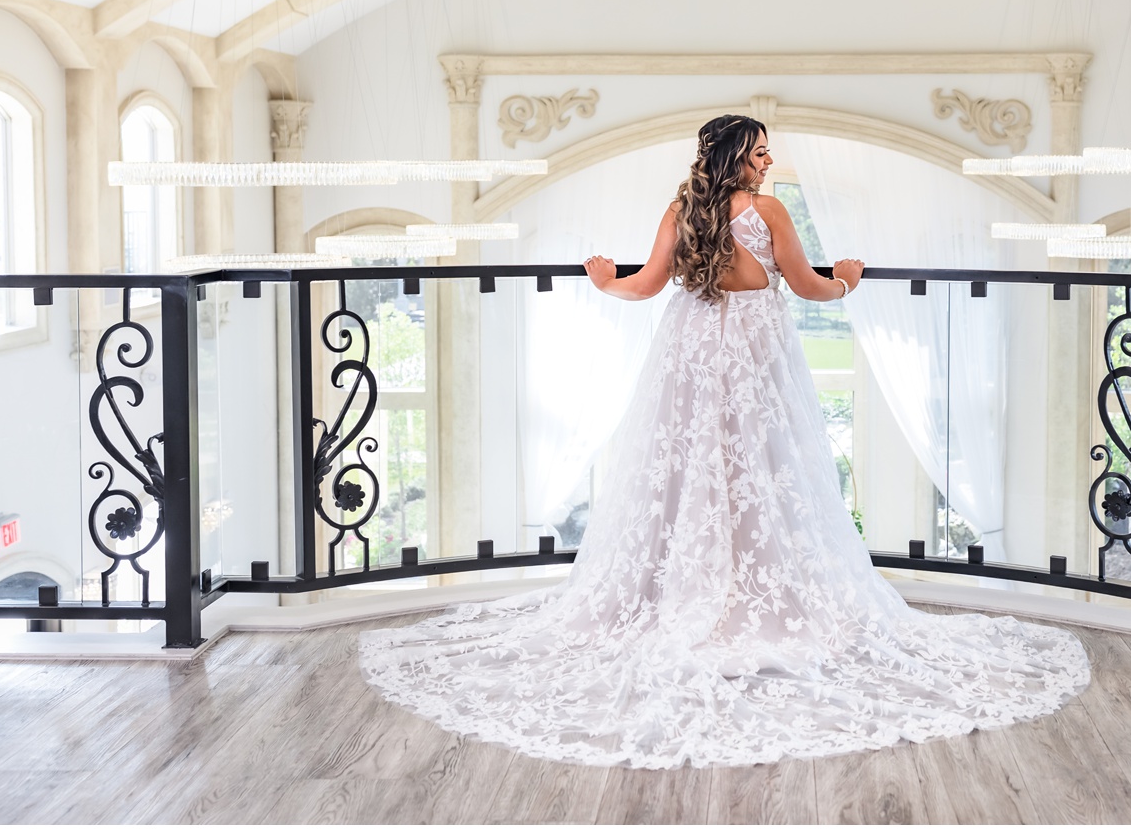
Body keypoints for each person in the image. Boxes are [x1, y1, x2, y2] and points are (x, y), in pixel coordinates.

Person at [360, 115, 1089, 769]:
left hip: (692, 347)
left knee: (684, 467)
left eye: (770, 154)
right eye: (761, 153)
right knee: (766, 469)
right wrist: (852, 281)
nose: (769, 164)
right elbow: (804, 286)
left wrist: (600, 279)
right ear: (736, 157)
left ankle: (698, 586)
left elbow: (647, 285)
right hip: (754, 353)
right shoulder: (766, 212)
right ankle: (751, 589)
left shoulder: (684, 209)